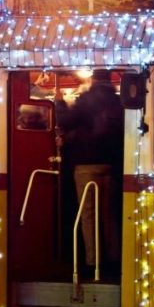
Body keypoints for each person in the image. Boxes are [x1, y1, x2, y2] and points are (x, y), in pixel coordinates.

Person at [57, 69, 124, 274]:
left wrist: (59, 103)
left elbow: (66, 121)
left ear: (93, 79)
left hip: (87, 163)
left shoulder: (87, 99)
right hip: (111, 164)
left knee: (88, 214)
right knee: (109, 214)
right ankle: (114, 259)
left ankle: (92, 261)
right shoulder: (117, 101)